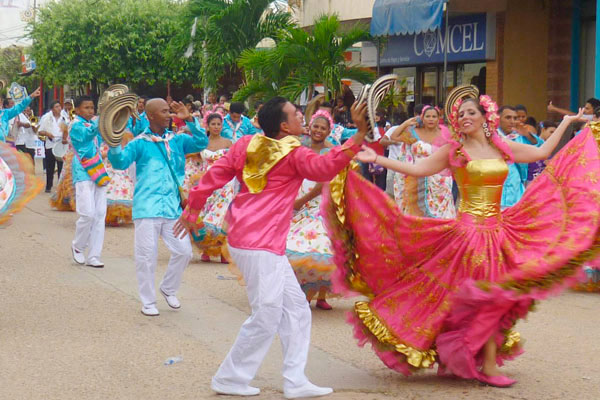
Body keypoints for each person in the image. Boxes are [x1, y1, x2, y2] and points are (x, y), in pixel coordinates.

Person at [324, 91, 594, 387]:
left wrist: (568, 121)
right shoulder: (455, 151)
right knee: (484, 299)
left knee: (494, 299)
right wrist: (377, 158)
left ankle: (479, 360)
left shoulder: (500, 147)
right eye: (460, 114)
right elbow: (417, 169)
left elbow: (542, 155)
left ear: (484, 117)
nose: (464, 117)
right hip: (468, 236)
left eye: (470, 113)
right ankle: (486, 366)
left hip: (500, 232)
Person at [174, 97, 368, 398]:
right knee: (267, 313)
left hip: (254, 240)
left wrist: (192, 211)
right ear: (283, 125)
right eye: (295, 115)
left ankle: (295, 381)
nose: (301, 119)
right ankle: (230, 378)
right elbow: (324, 167)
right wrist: (357, 135)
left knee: (297, 310)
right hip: (258, 244)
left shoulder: (246, 144)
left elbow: (214, 176)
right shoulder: (293, 153)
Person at [107, 98, 208, 317]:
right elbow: (119, 163)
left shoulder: (178, 140)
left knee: (184, 252)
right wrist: (114, 142)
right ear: (151, 116)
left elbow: (201, 143)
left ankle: (168, 288)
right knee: (146, 256)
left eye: (169, 111)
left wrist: (189, 120)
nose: (169, 115)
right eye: (164, 112)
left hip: (172, 208)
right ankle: (148, 301)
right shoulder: (139, 143)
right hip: (147, 208)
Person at [287, 110, 338, 310]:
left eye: (323, 128)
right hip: (297, 198)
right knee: (297, 246)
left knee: (321, 246)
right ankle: (303, 292)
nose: (318, 131)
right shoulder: (301, 146)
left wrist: (302, 201)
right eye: (315, 126)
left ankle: (320, 295)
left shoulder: (331, 151)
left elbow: (325, 183)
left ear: (329, 131)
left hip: (319, 203)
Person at [389, 106, 455, 218]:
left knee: (441, 214)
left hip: (440, 181)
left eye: (434, 116)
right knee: (416, 213)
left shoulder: (446, 134)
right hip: (416, 178)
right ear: (422, 118)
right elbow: (394, 136)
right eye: (428, 116)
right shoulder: (413, 133)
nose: (431, 119)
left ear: (439, 118)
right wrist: (406, 123)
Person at [184, 112, 233, 263]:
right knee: (204, 215)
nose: (216, 127)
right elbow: (191, 158)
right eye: (213, 124)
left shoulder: (228, 143)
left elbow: (235, 162)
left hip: (225, 183)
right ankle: (206, 248)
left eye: (219, 124)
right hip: (207, 182)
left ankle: (223, 251)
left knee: (222, 216)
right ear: (208, 125)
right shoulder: (201, 143)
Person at [69, 96, 108, 268]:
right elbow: (86, 138)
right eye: (86, 108)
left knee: (100, 214)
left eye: (92, 108)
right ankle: (78, 246)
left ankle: (94, 255)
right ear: (77, 110)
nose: (90, 111)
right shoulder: (75, 126)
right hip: (83, 172)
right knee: (87, 213)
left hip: (98, 170)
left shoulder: (93, 124)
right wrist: (102, 120)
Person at [39, 100, 68, 192]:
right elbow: (40, 131)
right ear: (52, 109)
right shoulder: (46, 117)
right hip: (50, 144)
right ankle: (48, 186)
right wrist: (47, 133)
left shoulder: (64, 118)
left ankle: (60, 187)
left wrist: (64, 138)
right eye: (56, 106)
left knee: (61, 166)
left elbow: (67, 130)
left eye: (59, 106)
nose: (59, 108)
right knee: (50, 167)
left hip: (61, 144)